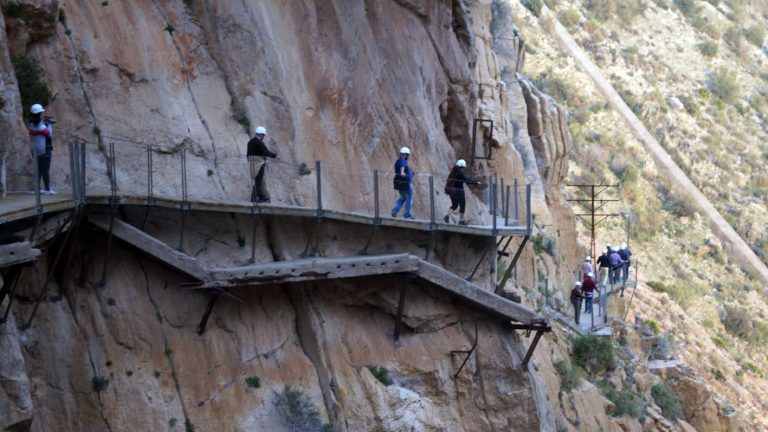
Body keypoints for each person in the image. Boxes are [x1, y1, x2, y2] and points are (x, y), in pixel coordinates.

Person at [28, 103, 54, 194]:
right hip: (44, 149)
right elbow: (49, 134)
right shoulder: (40, 125)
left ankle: (38, 188)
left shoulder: (30, 124)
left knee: (38, 170)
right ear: (39, 114)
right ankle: (47, 189)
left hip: (35, 150)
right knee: (45, 170)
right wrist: (49, 124)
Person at [442, 159, 478, 225]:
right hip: (459, 192)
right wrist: (476, 182)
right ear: (461, 167)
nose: (463, 169)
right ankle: (461, 221)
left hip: (452, 192)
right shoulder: (460, 174)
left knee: (454, 205)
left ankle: (447, 216)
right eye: (463, 168)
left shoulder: (452, 173)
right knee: (462, 206)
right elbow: (467, 181)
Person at [246, 126, 277, 203]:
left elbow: (248, 154)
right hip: (259, 163)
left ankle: (262, 197)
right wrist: (274, 155)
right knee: (258, 181)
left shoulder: (250, 142)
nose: (263, 137)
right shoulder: (259, 143)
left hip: (251, 163)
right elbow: (265, 152)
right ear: (261, 135)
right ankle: (253, 199)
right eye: (263, 135)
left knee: (259, 181)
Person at [391, 147, 414, 219]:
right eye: (407, 155)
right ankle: (407, 214)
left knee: (403, 198)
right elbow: (402, 172)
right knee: (409, 198)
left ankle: (394, 210)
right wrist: (408, 177)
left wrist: (410, 173)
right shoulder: (403, 162)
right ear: (406, 155)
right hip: (405, 183)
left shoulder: (397, 161)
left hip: (399, 183)